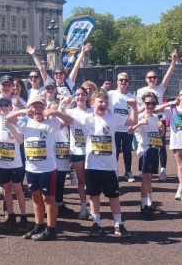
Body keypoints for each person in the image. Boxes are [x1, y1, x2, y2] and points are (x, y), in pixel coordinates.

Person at [68, 90, 137, 238]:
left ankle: (118, 224)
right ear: (92, 103)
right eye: (100, 102)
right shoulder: (86, 118)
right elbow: (67, 118)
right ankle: (96, 224)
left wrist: (135, 108)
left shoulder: (113, 118)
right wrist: (59, 107)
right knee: (94, 196)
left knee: (114, 197)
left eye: (106, 102)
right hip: (92, 165)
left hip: (110, 166)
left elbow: (132, 122)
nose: (103, 104)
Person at [6, 95, 73, 241]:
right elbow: (8, 118)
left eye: (40, 106)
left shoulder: (51, 123)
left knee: (48, 199)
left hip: (48, 169)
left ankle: (51, 229)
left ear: (44, 108)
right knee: (36, 198)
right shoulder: (26, 122)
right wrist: (24, 111)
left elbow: (69, 121)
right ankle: (39, 225)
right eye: (34, 106)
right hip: (31, 168)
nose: (37, 109)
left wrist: (54, 112)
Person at [0, 98, 29, 233]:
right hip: (1, 162)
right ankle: (11, 217)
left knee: (18, 189)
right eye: (0, 105)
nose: (3, 107)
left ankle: (24, 217)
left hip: (16, 163)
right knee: (6, 190)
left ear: (10, 107)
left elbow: (20, 140)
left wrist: (10, 125)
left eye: (6, 105)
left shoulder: (18, 121)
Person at [128, 92, 166, 220]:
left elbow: (159, 135)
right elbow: (129, 131)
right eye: (148, 103)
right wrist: (139, 123)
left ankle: (149, 204)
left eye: (153, 103)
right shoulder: (139, 116)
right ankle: (144, 206)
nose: (150, 106)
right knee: (146, 179)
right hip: (145, 150)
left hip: (154, 149)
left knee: (150, 179)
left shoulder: (156, 117)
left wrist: (162, 129)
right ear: (143, 103)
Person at [27, 43, 91, 99]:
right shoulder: (50, 83)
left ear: (64, 75)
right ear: (53, 75)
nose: (58, 75)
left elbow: (75, 68)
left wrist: (82, 52)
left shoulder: (68, 83)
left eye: (61, 73)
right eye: (56, 73)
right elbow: (41, 69)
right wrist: (34, 55)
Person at [65, 86, 92, 220]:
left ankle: (93, 210)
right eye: (77, 95)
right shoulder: (70, 112)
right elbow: (58, 115)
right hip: (76, 150)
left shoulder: (93, 111)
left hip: (92, 151)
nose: (80, 97)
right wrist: (63, 102)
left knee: (92, 182)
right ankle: (83, 207)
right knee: (81, 181)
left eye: (83, 95)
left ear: (87, 97)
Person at [108, 72, 137, 182]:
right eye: (121, 80)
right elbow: (99, 97)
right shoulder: (111, 94)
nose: (123, 82)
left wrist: (133, 126)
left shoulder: (131, 96)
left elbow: (134, 112)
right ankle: (114, 171)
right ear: (117, 81)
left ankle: (128, 172)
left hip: (126, 129)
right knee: (114, 151)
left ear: (128, 82)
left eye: (125, 80)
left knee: (127, 151)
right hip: (114, 129)